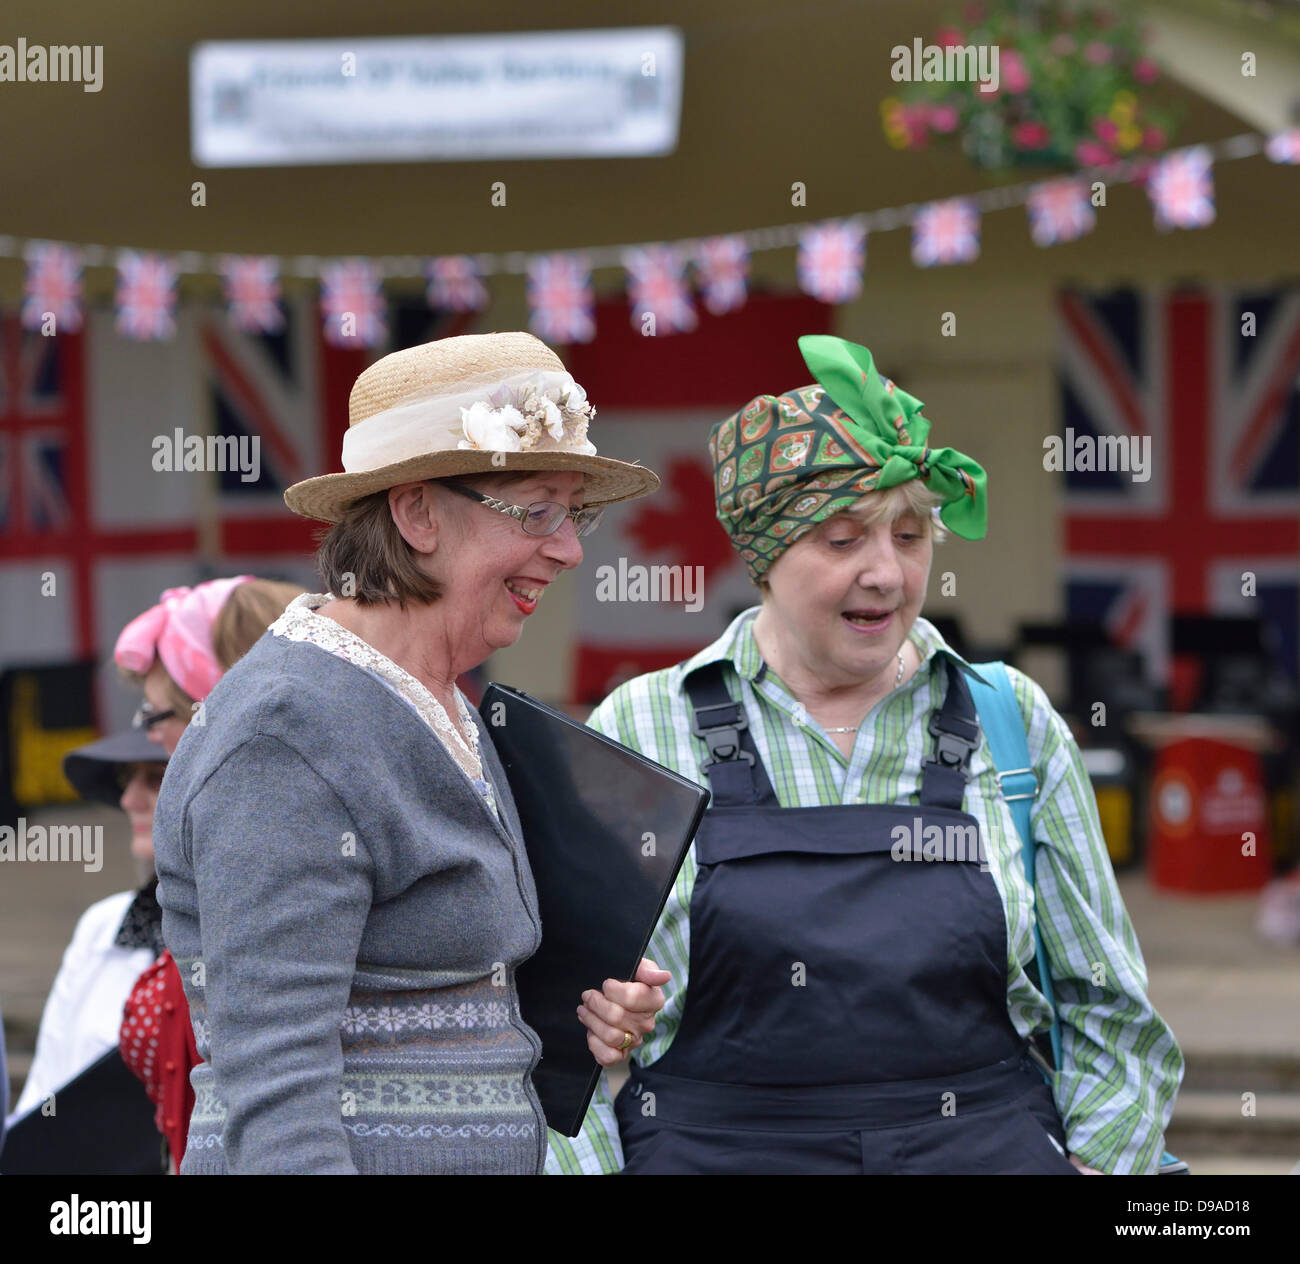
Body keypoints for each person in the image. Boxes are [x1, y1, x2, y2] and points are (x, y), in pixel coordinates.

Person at [547, 334, 1184, 1175]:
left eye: (912, 536)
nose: (887, 573)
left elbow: (1110, 1010)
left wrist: (1098, 1165)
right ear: (767, 555)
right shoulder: (645, 725)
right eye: (843, 540)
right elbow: (562, 1030)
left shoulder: (1009, 721)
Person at [152, 331, 670, 1175]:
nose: (571, 549)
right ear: (417, 512)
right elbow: (275, 1099)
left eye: (575, 514)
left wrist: (567, 1017)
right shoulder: (289, 735)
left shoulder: (437, 701)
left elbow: (425, 996)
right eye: (536, 511)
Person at [112, 575, 306, 1170]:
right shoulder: (220, 853)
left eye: (155, 713)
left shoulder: (281, 857)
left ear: (217, 706)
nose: (147, 738)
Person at [7, 730, 167, 1121]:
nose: (130, 799)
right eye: (127, 777)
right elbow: (45, 1089)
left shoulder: (246, 928)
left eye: (157, 778)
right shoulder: (103, 924)